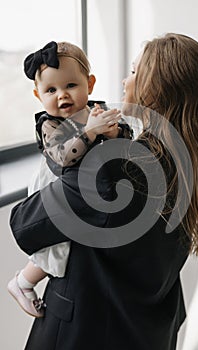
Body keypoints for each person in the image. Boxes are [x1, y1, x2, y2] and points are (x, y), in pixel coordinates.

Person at [9, 33, 198, 350]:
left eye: (135, 72)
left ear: (157, 89)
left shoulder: (116, 169)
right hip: (148, 332)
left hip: (85, 332)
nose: (125, 82)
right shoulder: (191, 161)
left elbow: (25, 223)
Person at [7, 41, 133, 318]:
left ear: (90, 83)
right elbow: (62, 156)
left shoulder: (96, 110)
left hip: (90, 189)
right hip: (55, 184)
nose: (62, 95)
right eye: (51, 90)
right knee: (57, 245)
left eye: (71, 86)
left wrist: (113, 133)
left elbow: (126, 138)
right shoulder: (49, 124)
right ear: (38, 96)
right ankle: (23, 282)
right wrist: (89, 133)